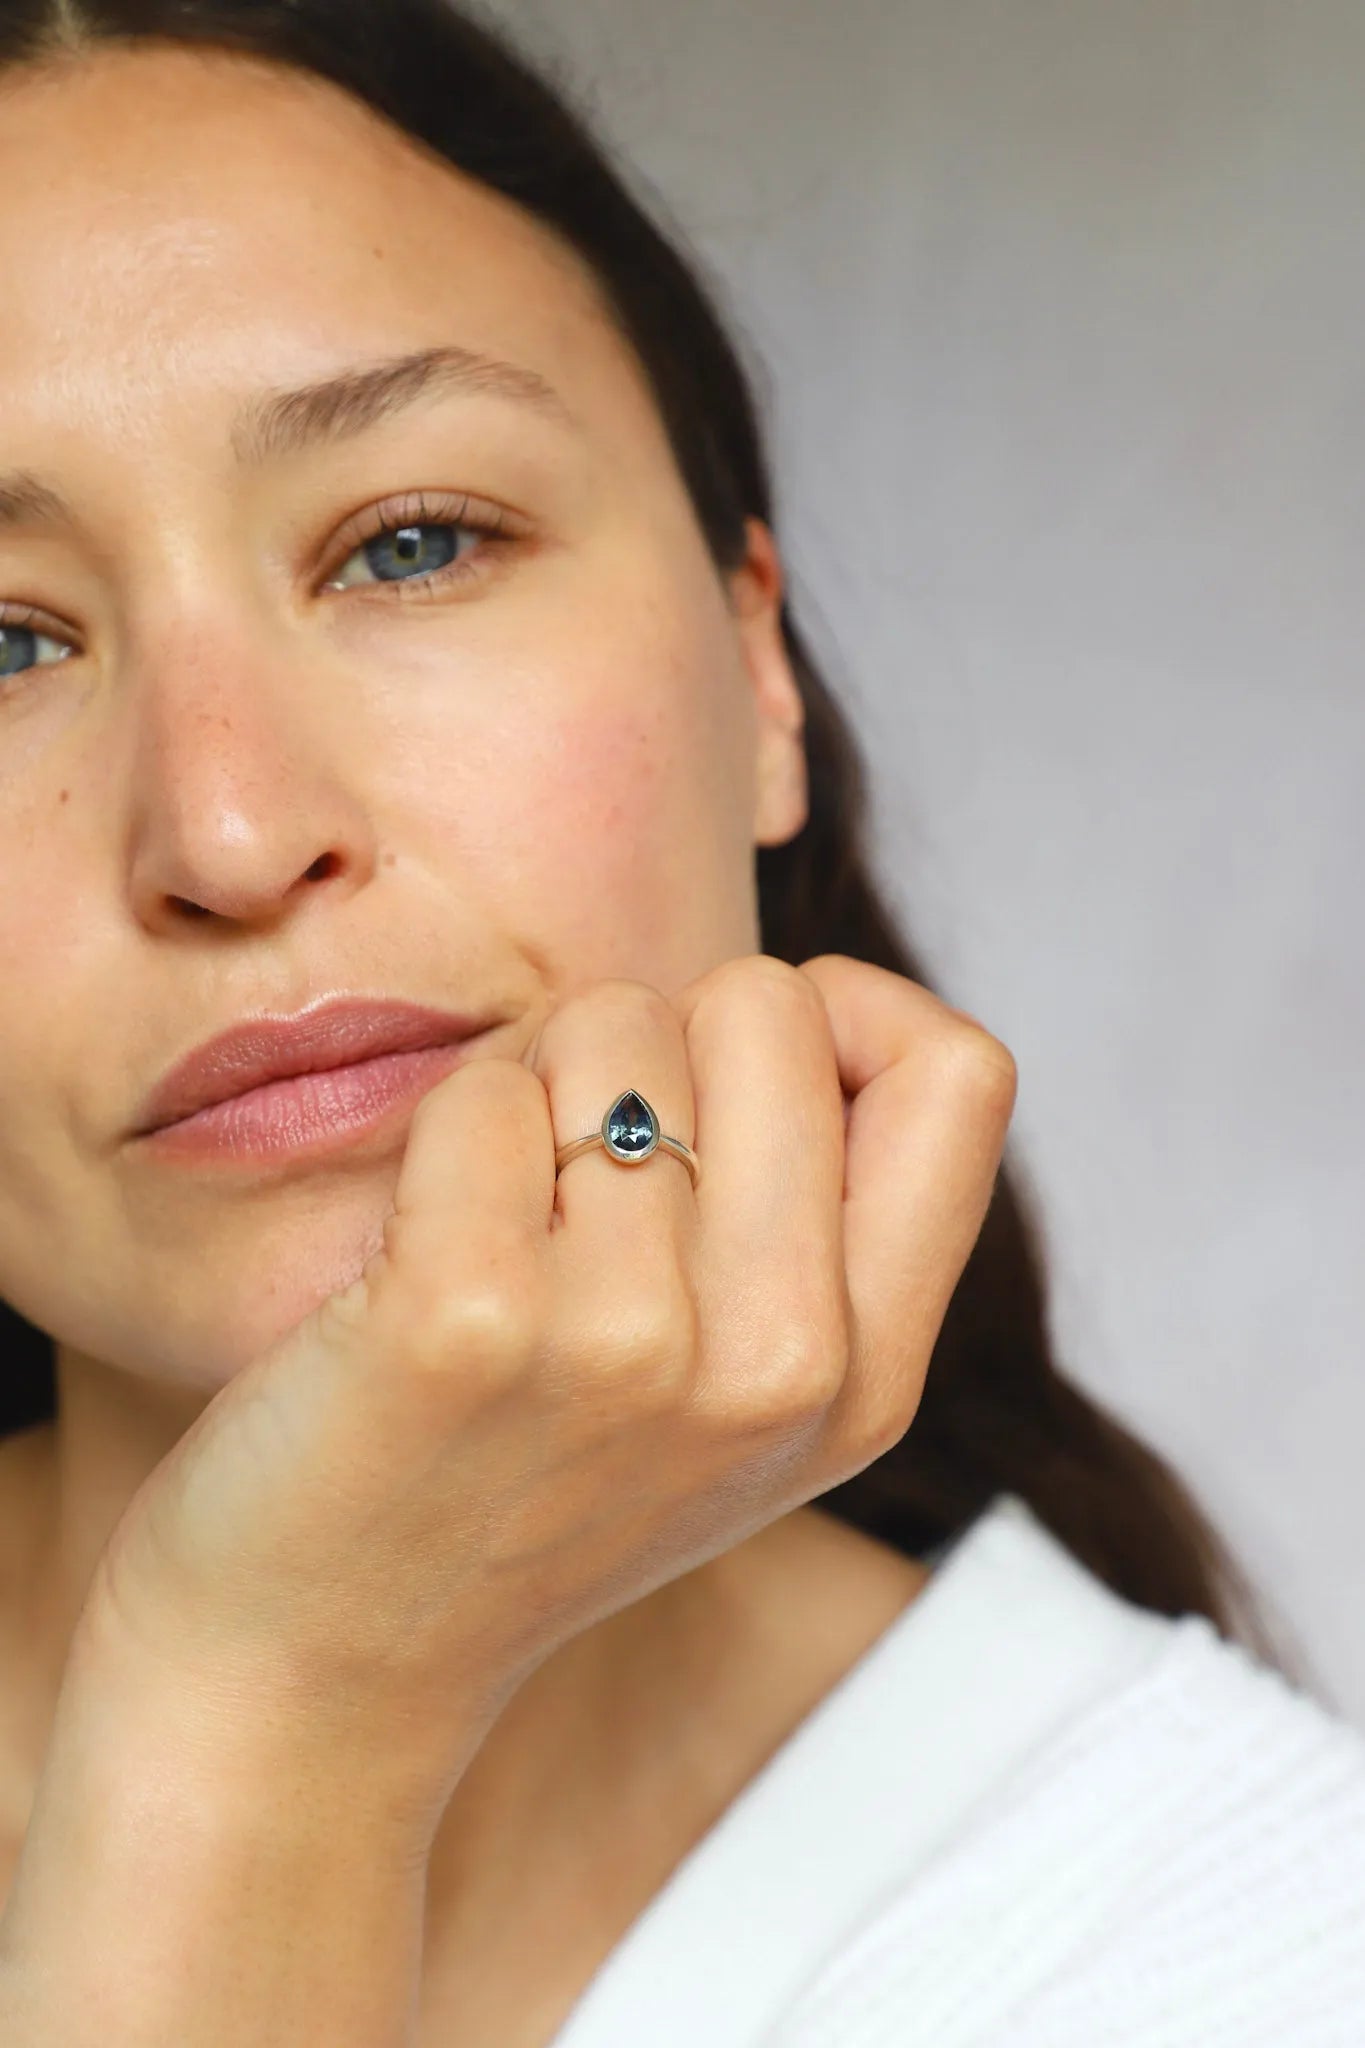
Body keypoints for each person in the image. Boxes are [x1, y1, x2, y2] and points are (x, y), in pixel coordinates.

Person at [0, 5, 1360, 2044]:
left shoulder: (1258, 1950)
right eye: (3, 645)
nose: (228, 827)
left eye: (412, 542)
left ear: (761, 675)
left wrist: (267, 1707)